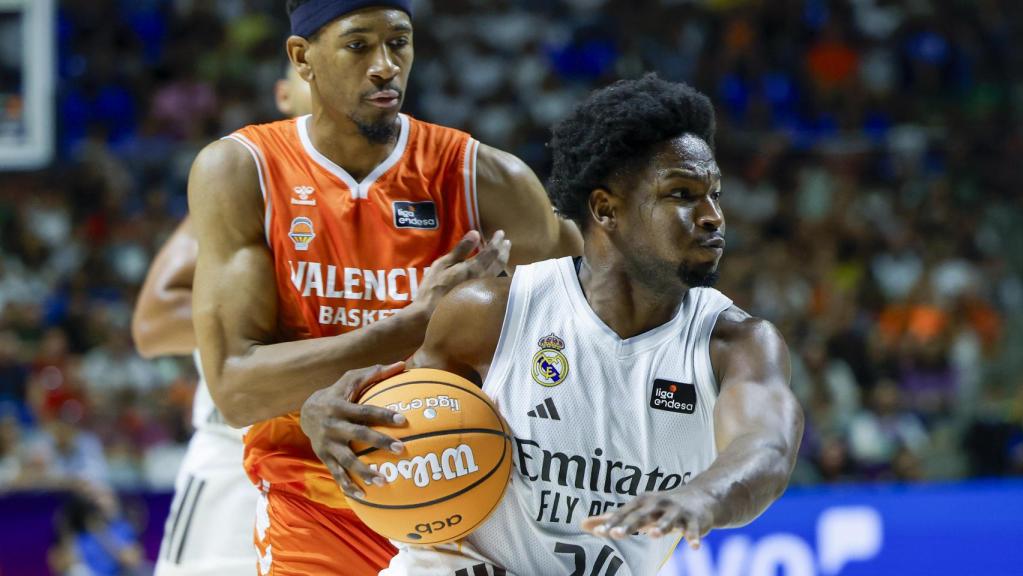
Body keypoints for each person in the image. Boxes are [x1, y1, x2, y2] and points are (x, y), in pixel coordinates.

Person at [311, 75, 804, 575]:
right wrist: (323, 417)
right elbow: (391, 426)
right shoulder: (493, 313)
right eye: (682, 194)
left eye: (714, 194)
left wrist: (704, 497)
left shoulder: (736, 343)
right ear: (605, 209)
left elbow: (767, 447)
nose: (713, 216)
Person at [188, 1, 582, 574]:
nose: (385, 66)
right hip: (313, 502)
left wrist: (495, 341)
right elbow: (235, 391)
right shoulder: (242, 170)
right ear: (302, 58)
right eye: (358, 46)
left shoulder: (485, 178)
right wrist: (408, 327)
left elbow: (587, 344)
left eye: (399, 43)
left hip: (461, 493)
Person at [132, 63, 313, 576]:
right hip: (236, 457)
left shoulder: (400, 190)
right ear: (283, 93)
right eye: (309, 70)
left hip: (341, 455)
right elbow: (152, 324)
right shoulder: (244, 181)